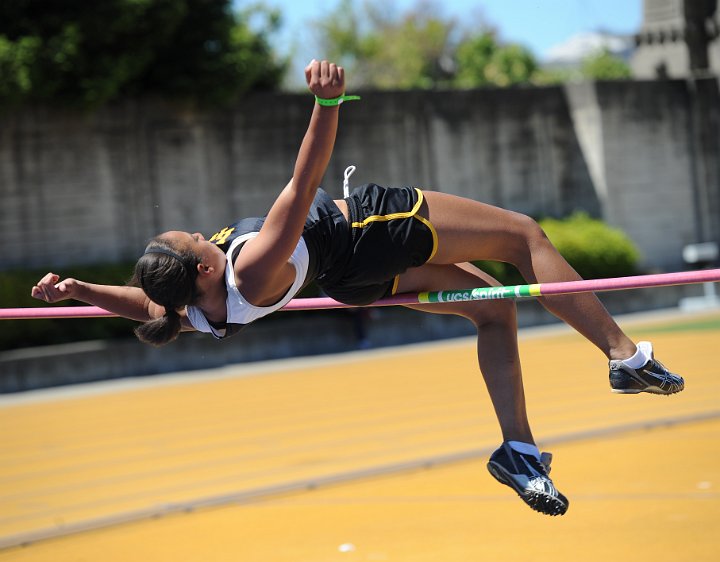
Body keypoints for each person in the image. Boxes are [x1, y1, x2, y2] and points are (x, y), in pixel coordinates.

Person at [31, 59, 684, 517]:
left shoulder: (197, 311)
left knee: (492, 311)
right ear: (204, 266)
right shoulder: (252, 268)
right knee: (524, 237)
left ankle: (518, 452)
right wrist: (325, 102)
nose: (195, 233)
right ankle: (625, 357)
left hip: (352, 279)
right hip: (374, 230)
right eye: (189, 240)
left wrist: (80, 289)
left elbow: (142, 304)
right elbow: (304, 179)